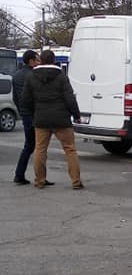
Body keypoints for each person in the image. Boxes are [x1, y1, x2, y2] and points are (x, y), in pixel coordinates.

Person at [22, 49, 84, 190]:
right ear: (54, 59)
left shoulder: (31, 77)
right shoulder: (61, 76)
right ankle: (76, 181)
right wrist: (76, 115)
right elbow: (69, 98)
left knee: (40, 149)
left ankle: (39, 181)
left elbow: (25, 100)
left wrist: (35, 112)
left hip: (41, 119)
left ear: (41, 60)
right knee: (70, 150)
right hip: (61, 119)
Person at [12, 49, 41, 185]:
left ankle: (20, 174)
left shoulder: (16, 75)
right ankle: (39, 177)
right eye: (37, 60)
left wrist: (21, 111)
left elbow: (15, 98)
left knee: (30, 145)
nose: (39, 62)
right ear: (31, 61)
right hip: (35, 114)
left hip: (25, 114)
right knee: (39, 146)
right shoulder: (34, 75)